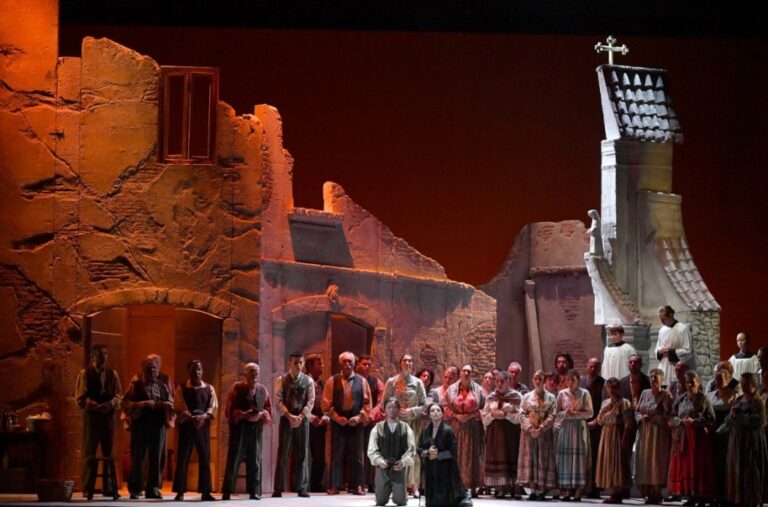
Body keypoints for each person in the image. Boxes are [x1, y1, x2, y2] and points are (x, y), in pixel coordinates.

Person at [122, 354, 174, 500]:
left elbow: (171, 403)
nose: (152, 371)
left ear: (157, 370)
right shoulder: (136, 385)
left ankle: (153, 488)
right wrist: (142, 404)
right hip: (141, 425)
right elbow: (125, 404)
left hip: (158, 425)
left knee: (156, 457)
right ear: (143, 370)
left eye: (154, 368)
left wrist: (166, 405)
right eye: (148, 368)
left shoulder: (163, 386)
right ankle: (136, 488)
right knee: (138, 457)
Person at [74, 344, 122, 501]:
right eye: (101, 354)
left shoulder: (112, 374)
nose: (104, 357)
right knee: (89, 453)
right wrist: (91, 404)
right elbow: (79, 397)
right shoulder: (85, 374)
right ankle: (87, 488)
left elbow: (119, 394)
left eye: (106, 353)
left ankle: (109, 487)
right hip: (92, 418)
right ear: (93, 356)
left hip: (108, 417)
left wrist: (111, 403)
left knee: (108, 453)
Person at [321, 351, 372, 495]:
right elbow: (326, 404)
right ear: (340, 363)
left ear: (354, 364)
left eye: (350, 362)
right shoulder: (332, 381)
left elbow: (367, 403)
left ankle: (357, 485)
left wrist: (359, 417)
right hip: (339, 422)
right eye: (345, 362)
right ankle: (334, 485)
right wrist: (337, 417)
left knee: (357, 455)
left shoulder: (362, 381)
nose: (348, 364)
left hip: (356, 422)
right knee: (336, 454)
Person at [221, 362, 271, 500]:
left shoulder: (262, 389)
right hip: (240, 428)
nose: (254, 376)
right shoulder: (237, 388)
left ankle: (254, 491)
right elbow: (229, 409)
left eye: (256, 373)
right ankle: (227, 491)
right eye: (251, 373)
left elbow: (268, 408)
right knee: (234, 458)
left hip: (256, 428)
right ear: (246, 374)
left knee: (254, 459)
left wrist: (261, 414)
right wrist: (243, 414)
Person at [381, 353, 427, 496]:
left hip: (413, 423)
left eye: (410, 361)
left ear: (413, 364)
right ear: (400, 364)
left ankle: (413, 486)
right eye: (405, 361)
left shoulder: (418, 382)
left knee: (413, 453)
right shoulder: (392, 382)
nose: (408, 363)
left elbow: (424, 404)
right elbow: (383, 403)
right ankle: (394, 485)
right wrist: (394, 410)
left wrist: (412, 411)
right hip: (396, 423)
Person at [172, 359, 218, 501]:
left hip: (203, 427)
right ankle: (180, 491)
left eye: (199, 369)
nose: (197, 372)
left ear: (202, 371)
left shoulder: (209, 388)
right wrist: (190, 417)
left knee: (205, 458)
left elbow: (213, 406)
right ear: (189, 371)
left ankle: (206, 492)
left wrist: (204, 416)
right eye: (193, 369)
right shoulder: (182, 387)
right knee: (183, 458)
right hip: (187, 427)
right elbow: (179, 404)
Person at [667, 371, 715, 506]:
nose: (689, 385)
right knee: (686, 466)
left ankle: (701, 495)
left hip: (699, 439)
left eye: (692, 382)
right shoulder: (680, 399)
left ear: (698, 383)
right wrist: (680, 421)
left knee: (698, 466)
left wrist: (695, 422)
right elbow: (671, 417)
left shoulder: (704, 399)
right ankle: (690, 495)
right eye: (687, 382)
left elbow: (711, 419)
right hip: (683, 437)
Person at [273, 351, 314, 498]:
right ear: (289, 363)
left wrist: (301, 415)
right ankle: (278, 487)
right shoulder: (281, 380)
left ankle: (302, 487)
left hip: (302, 420)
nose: (299, 365)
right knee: (283, 453)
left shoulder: (308, 381)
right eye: (296, 363)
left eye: (301, 363)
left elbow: (310, 401)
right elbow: (278, 400)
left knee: (303, 453)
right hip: (287, 419)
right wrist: (289, 415)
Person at [723, 373, 767, 507]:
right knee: (737, 469)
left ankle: (751, 499)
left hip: (751, 441)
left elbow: (760, 421)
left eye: (746, 384)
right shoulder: (738, 400)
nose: (743, 386)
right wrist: (733, 417)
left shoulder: (757, 401)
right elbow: (728, 419)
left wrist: (740, 417)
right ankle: (738, 497)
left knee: (750, 469)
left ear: (753, 384)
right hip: (737, 440)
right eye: (742, 383)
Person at [443, 364, 485, 498]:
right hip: (455, 427)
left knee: (472, 455)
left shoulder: (478, 390)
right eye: (464, 371)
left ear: (472, 374)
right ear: (460, 373)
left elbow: (484, 408)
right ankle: (455, 486)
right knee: (455, 455)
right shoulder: (451, 389)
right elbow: (445, 407)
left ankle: (472, 486)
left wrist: (471, 415)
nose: (466, 373)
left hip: (472, 428)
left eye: (469, 371)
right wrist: (456, 415)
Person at [418, 403, 473, 507]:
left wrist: (438, 455)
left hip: (445, 468)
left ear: (442, 414)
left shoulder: (448, 431)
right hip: (430, 468)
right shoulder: (425, 431)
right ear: (429, 415)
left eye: (438, 410)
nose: (435, 412)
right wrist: (427, 452)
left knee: (443, 503)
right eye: (432, 411)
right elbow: (419, 448)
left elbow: (452, 451)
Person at [367, 397, 416, 507]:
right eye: (389, 407)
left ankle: (400, 493)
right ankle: (382, 492)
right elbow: (372, 448)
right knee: (380, 501)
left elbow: (411, 449)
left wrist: (403, 462)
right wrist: (379, 461)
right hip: (383, 466)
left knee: (401, 501)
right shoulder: (378, 427)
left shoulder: (405, 427)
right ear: (385, 409)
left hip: (398, 466)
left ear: (398, 409)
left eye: (394, 407)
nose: (392, 410)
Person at [481, 370, 522, 498]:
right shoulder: (491, 397)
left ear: (508, 382)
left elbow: (520, 416)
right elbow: (484, 417)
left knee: (511, 456)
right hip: (495, 433)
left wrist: (506, 415)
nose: (498, 384)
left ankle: (513, 487)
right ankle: (499, 488)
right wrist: (492, 415)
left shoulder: (516, 396)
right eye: (497, 381)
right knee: (497, 456)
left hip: (511, 433)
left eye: (502, 381)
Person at [634, 368, 672, 505]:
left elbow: (668, 415)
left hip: (658, 433)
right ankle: (647, 491)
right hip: (644, 432)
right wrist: (640, 418)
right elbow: (637, 411)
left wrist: (654, 418)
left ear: (662, 379)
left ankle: (657, 491)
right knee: (644, 461)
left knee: (656, 461)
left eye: (656, 377)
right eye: (651, 377)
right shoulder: (645, 393)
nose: (653, 379)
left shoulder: (666, 395)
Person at [517, 370, 557, 500]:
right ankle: (533, 490)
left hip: (543, 434)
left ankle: (541, 490)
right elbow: (522, 413)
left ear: (544, 380)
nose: (538, 381)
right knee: (531, 459)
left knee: (542, 460)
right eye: (536, 379)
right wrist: (529, 427)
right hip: (529, 434)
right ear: (533, 381)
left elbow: (552, 415)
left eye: (540, 379)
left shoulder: (550, 397)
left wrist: (542, 427)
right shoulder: (527, 397)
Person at [554, 368, 593, 501]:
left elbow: (590, 412)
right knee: (565, 459)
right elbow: (556, 412)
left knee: (579, 459)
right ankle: (566, 491)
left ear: (578, 380)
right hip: (565, 428)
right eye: (568, 380)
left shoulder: (584, 393)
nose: (570, 382)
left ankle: (579, 491)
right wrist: (565, 413)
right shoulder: (562, 393)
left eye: (573, 380)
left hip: (579, 429)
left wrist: (576, 414)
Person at [706, 360, 740, 506]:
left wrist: (723, 429)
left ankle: (727, 495)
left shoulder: (734, 394)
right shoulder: (711, 395)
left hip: (727, 434)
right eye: (716, 378)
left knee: (726, 465)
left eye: (721, 379)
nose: (717, 381)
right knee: (713, 465)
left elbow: (733, 416)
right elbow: (706, 413)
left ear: (728, 379)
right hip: (712, 434)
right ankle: (714, 495)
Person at [594, 377, 633, 504]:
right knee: (608, 461)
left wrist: (624, 438)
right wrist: (603, 411)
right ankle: (612, 491)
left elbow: (628, 422)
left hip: (617, 433)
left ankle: (617, 492)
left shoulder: (624, 403)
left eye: (614, 387)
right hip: (606, 433)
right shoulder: (605, 403)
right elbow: (600, 421)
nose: (611, 390)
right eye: (609, 387)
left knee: (617, 461)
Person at [358, 354, 385, 493]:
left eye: (369, 364)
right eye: (364, 364)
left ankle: (371, 483)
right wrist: (360, 417)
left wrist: (370, 416)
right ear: (358, 365)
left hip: (372, 422)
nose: (367, 366)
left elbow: (381, 401)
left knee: (372, 452)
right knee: (357, 453)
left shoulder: (376, 382)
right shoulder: (355, 380)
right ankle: (358, 482)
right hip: (357, 421)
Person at [304, 353, 329, 493]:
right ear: (310, 366)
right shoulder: (303, 381)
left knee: (319, 457)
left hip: (320, 424)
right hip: (305, 423)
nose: (323, 366)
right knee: (302, 455)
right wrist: (310, 417)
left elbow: (328, 403)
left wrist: (325, 417)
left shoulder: (323, 383)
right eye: (319, 364)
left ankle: (316, 485)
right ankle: (299, 485)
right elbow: (299, 403)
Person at [583, 357, 605, 499]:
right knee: (583, 456)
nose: (593, 369)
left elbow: (605, 405)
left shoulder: (603, 383)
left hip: (597, 425)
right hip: (582, 423)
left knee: (596, 456)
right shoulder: (582, 382)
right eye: (591, 366)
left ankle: (594, 488)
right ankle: (582, 487)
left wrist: (596, 421)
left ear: (599, 368)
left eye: (596, 367)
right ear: (587, 366)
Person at [655, 305, 692, 384]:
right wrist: (660, 351)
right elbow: (657, 348)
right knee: (663, 387)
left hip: (676, 367)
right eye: (660, 319)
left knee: (674, 387)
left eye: (664, 319)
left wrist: (671, 352)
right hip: (663, 367)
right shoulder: (662, 330)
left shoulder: (682, 329)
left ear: (671, 315)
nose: (662, 322)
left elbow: (688, 351)